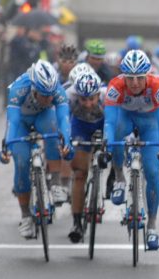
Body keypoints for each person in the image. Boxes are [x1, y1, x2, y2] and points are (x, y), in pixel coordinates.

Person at [103, 49, 159, 250]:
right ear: (124, 76)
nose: (134, 83)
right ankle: (119, 178)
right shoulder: (115, 86)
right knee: (115, 134)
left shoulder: (158, 86)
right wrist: (106, 146)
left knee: (152, 171)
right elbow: (109, 121)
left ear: (147, 76)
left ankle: (152, 225)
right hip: (125, 119)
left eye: (139, 78)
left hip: (150, 123)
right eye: (130, 78)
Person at [0, 59, 73, 238]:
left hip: (43, 117)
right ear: (33, 89)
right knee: (22, 162)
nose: (48, 99)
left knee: (53, 129)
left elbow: (64, 120)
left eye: (50, 95)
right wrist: (6, 145)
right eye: (43, 95)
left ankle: (55, 183)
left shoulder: (56, 90)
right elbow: (13, 122)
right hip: (22, 122)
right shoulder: (19, 88)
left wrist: (67, 142)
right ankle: (25, 216)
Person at [66, 72, 105, 243]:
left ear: (99, 95)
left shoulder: (107, 96)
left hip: (103, 123)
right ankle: (76, 223)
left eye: (92, 99)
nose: (88, 104)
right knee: (80, 173)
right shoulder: (69, 97)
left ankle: (111, 179)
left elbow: (116, 122)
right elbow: (63, 121)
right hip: (80, 127)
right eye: (83, 100)